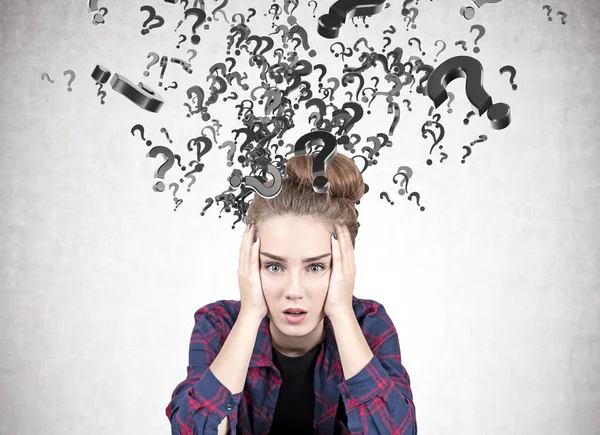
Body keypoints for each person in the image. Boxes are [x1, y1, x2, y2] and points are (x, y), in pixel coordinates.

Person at [165, 152, 417, 434]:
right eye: (274, 266)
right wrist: (249, 315)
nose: (294, 291)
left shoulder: (369, 324)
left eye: (316, 267)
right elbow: (192, 430)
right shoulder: (218, 324)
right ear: (250, 262)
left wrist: (342, 314)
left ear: (344, 265)